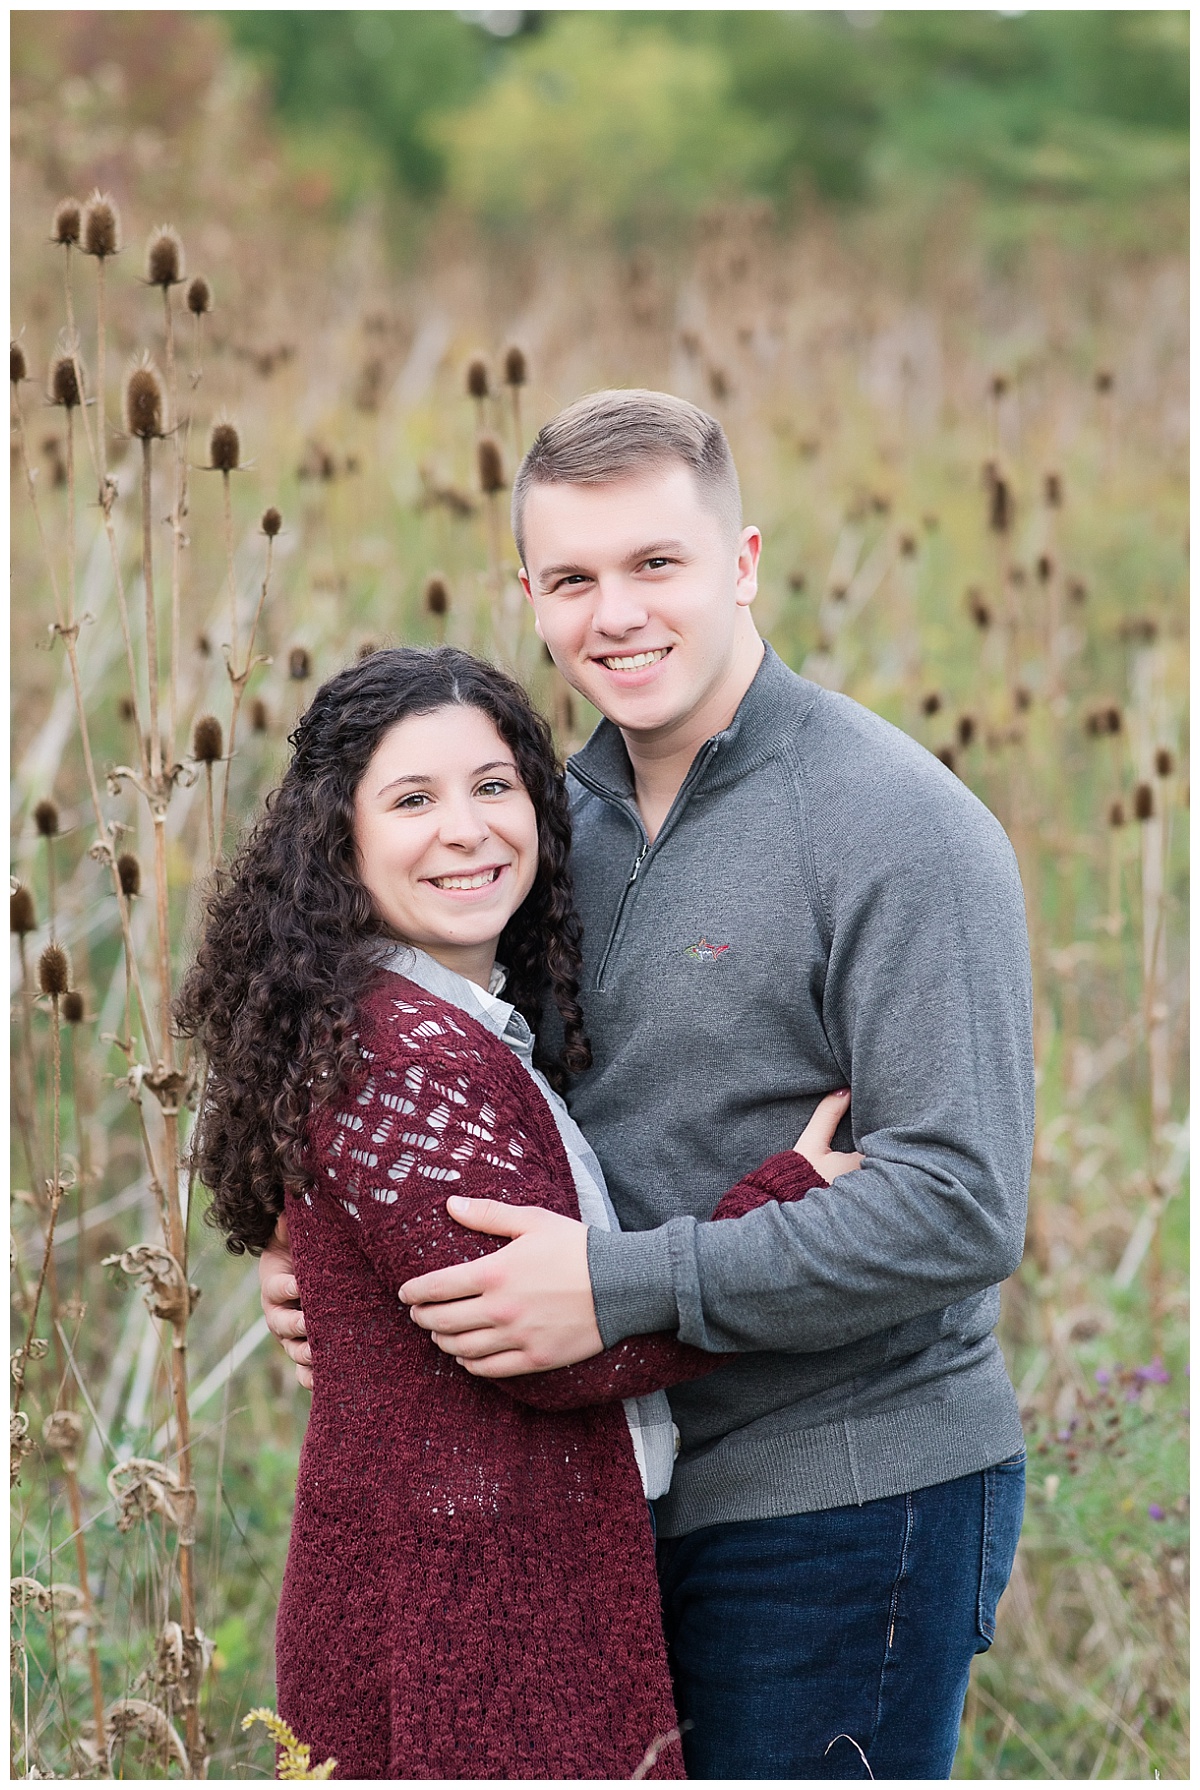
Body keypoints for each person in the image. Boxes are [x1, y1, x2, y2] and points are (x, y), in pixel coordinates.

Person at [261, 391, 1034, 1779]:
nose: (615, 614)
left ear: (742, 561)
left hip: (844, 1490)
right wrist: (334, 1264)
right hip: (605, 1493)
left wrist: (621, 1286)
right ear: (531, 598)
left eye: (655, 564)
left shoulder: (898, 826)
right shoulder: (541, 826)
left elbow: (959, 1205)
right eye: (573, 578)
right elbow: (459, 1091)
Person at [180, 645, 857, 1780]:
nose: (467, 829)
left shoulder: (437, 1022)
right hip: (468, 1621)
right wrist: (783, 1206)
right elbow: (550, 1342)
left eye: (494, 786)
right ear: (339, 841)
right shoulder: (406, 1054)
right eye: (412, 799)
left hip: (476, 1586)